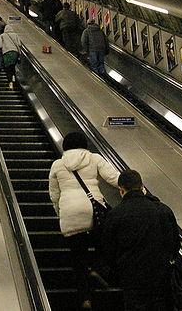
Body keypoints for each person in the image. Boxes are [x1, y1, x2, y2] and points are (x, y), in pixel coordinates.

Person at [49, 132, 120, 309]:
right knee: (102, 245)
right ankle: (97, 268)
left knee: (77, 257)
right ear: (84, 145)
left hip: (70, 212)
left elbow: (54, 194)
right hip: (93, 210)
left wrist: (60, 212)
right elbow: (113, 178)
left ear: (65, 146)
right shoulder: (94, 158)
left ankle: (85, 298)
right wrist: (137, 188)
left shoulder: (58, 164)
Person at [100, 169, 180, 310]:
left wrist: (118, 270)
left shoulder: (115, 215)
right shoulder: (163, 210)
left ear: (121, 190)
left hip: (132, 278)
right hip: (160, 277)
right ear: (142, 186)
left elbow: (108, 249)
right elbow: (174, 244)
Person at [0, 20, 21, 89]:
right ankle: (14, 79)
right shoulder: (15, 35)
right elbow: (19, 44)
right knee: (12, 67)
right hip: (15, 53)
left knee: (8, 68)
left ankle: (10, 82)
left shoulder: (2, 35)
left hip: (7, 53)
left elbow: (0, 46)